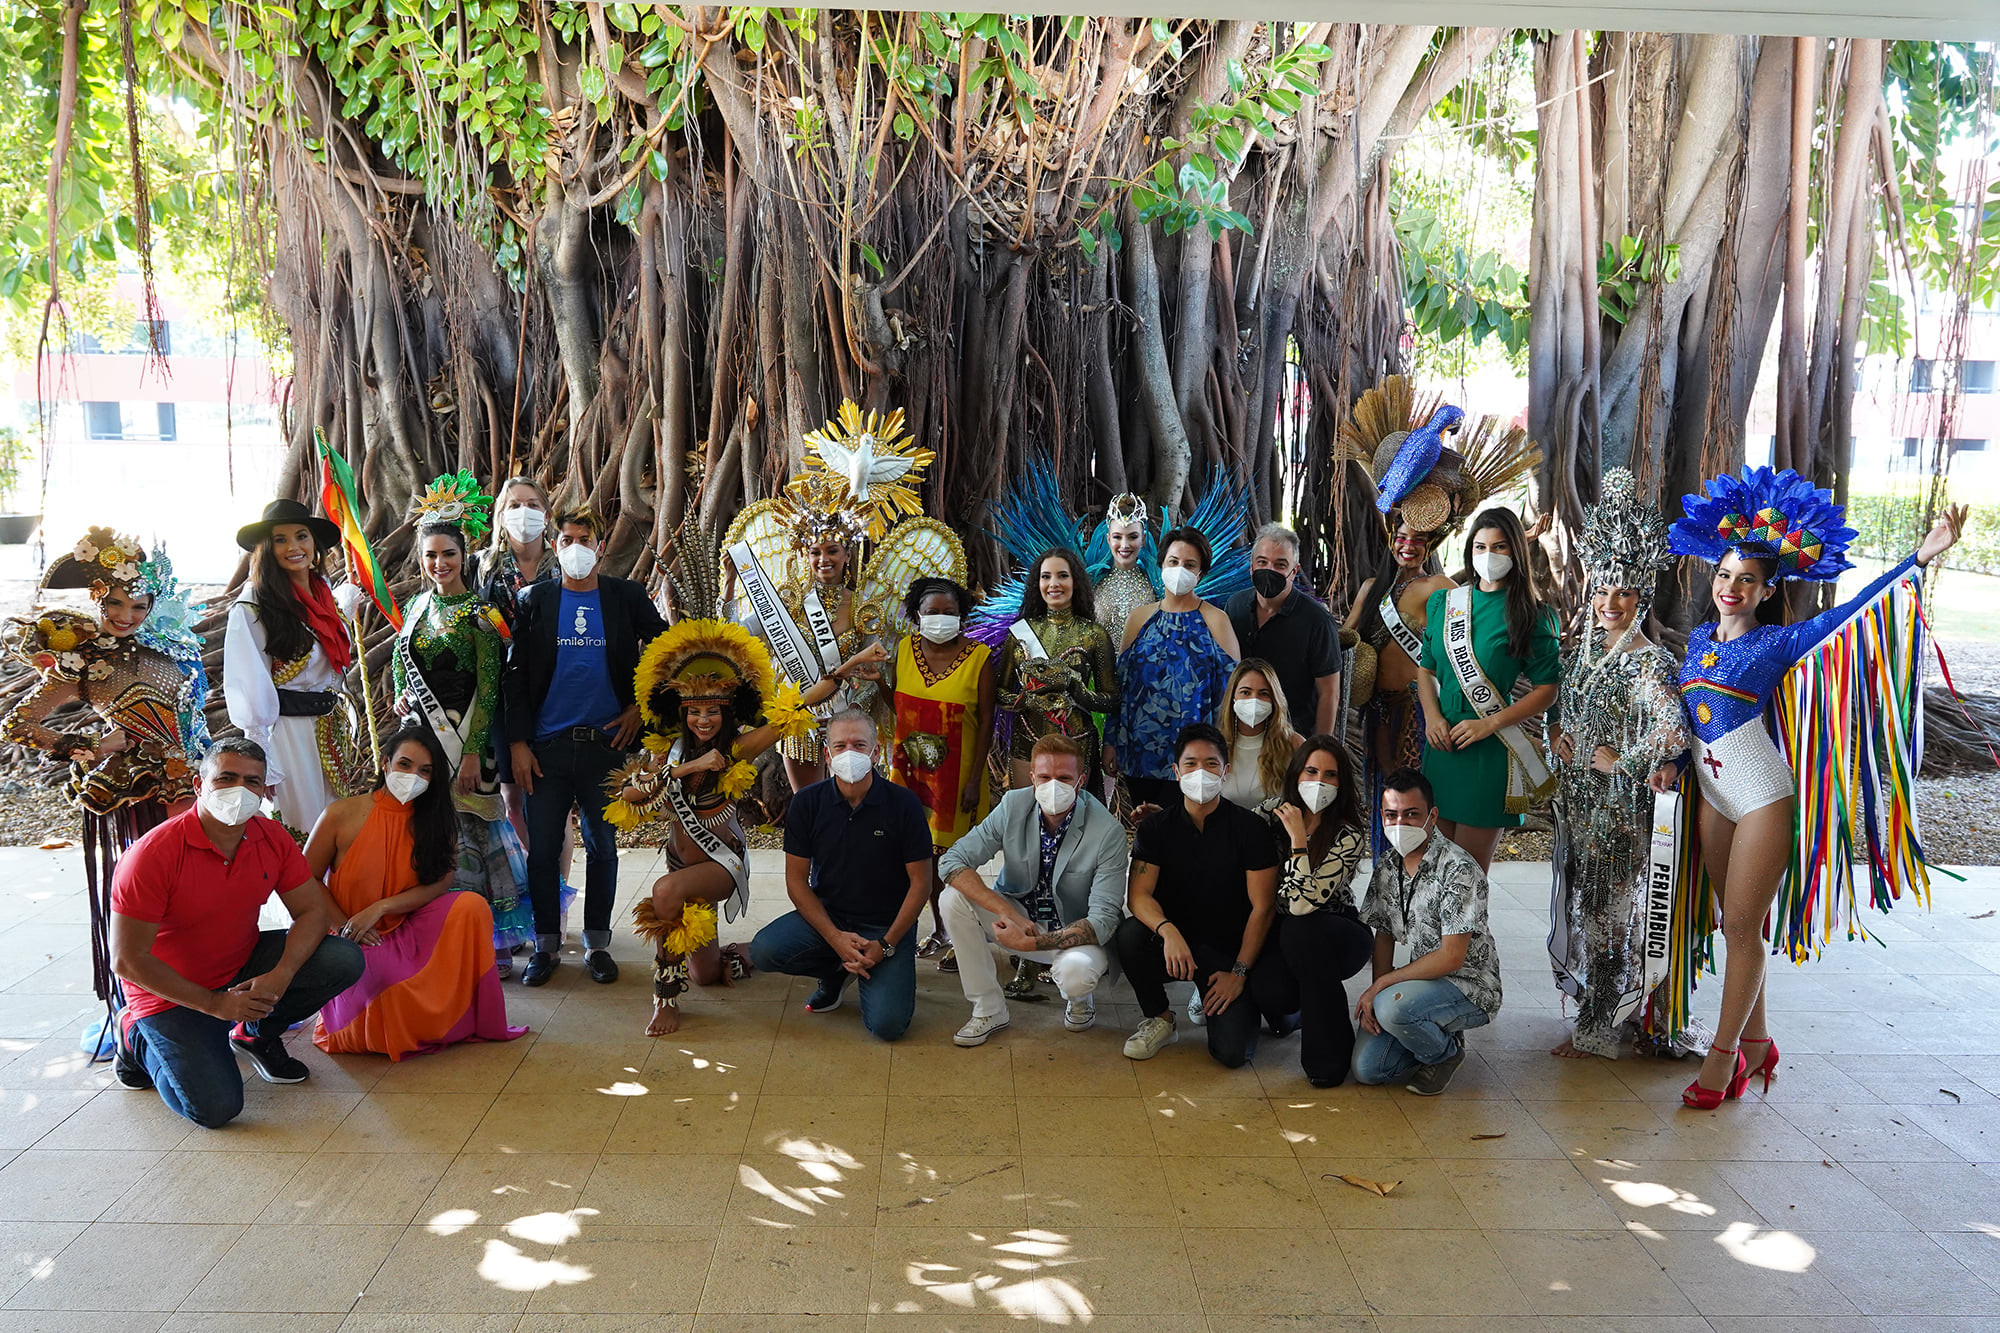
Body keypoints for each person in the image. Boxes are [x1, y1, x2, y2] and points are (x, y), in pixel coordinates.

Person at [1665, 467, 1965, 1108]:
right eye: (1724, 575)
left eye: (1747, 579)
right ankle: (1758, 1042)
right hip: (1713, 797)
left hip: (1762, 797)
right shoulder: (1693, 643)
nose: (1731, 587)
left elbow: (1855, 610)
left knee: (1744, 925)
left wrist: (1919, 557)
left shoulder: (1778, 642)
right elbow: (1683, 723)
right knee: (1731, 923)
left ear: (1768, 590)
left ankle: (1723, 1062)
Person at [3, 529, 209, 1030]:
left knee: (200, 890)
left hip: (193, 781)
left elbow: (194, 714)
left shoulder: (173, 645)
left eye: (138, 606)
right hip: (135, 789)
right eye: (116, 603)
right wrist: (87, 746)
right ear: (97, 597)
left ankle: (208, 986)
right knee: (147, 896)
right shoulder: (81, 660)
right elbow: (16, 724)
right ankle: (148, 1005)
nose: (126, 615)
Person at [107, 738, 365, 1127]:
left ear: (264, 790)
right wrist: (213, 1005)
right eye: (226, 778)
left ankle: (256, 1033)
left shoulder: (270, 836)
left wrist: (281, 975)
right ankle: (135, 1038)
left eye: (253, 782)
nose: (240, 791)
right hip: (170, 992)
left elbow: (311, 909)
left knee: (342, 958)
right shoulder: (152, 854)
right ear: (199, 785)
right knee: (215, 1110)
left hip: (239, 963)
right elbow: (127, 959)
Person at [603, 619, 844, 1036]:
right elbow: (628, 795)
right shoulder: (670, 755)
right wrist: (690, 766)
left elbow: (798, 710)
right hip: (682, 861)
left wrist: (851, 664)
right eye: (694, 711)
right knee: (704, 972)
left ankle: (665, 1001)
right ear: (681, 713)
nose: (703, 719)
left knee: (664, 892)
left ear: (726, 712)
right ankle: (745, 955)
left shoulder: (737, 750)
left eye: (712, 710)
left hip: (720, 866)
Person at [1337, 381, 1536, 859]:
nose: (1408, 545)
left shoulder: (1444, 591)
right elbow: (1345, 639)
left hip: (1416, 715)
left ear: (1431, 544)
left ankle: (1425, 896)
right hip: (1376, 713)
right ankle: (1393, 896)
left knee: (1417, 809)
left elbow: (1454, 654)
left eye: (1418, 540)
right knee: (1385, 808)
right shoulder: (1371, 589)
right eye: (1401, 537)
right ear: (1391, 535)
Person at [722, 403, 952, 794]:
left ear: (847, 554)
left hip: (849, 723)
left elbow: (881, 669)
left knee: (855, 806)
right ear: (805, 556)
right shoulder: (786, 603)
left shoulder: (865, 608)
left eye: (832, 551)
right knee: (808, 807)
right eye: (815, 552)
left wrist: (871, 683)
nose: (823, 559)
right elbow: (737, 638)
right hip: (799, 721)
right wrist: (729, 585)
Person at [1546, 471, 1692, 1060]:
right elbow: (1568, 706)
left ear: (1641, 598)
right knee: (1587, 904)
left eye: (1623, 593)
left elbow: (1672, 727)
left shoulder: (1648, 661)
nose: (1610, 603)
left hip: (1618, 812)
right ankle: (1602, 1009)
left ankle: (1600, 1025)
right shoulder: (1583, 648)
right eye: (1603, 589)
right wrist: (1559, 733)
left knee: (1609, 913)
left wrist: (1622, 760)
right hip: (1578, 804)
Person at [503, 507, 668, 987]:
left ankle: (597, 943)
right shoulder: (535, 599)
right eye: (567, 538)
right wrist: (517, 743)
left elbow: (663, 650)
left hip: (606, 746)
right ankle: (546, 946)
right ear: (555, 546)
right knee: (542, 851)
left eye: (585, 538)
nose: (575, 546)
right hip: (546, 748)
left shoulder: (625, 597)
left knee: (603, 846)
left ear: (600, 546)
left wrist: (641, 708)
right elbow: (514, 676)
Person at [308, 724, 528, 1060]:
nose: (413, 776)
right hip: (351, 934)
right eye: (405, 765)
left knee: (470, 905)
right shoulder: (339, 814)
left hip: (408, 926)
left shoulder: (438, 819)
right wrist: (344, 926)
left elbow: (440, 882)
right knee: (386, 984)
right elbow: (304, 880)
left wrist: (381, 907)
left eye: (425, 770)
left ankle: (462, 1015)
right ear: (385, 764)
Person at [395, 477, 535, 976]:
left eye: (448, 554)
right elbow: (398, 659)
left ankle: (488, 946)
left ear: (464, 553)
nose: (439, 564)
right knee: (432, 836)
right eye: (430, 555)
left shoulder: (482, 614)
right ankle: (440, 936)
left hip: (470, 743)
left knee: (472, 839)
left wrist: (474, 751)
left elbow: (491, 688)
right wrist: (399, 695)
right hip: (424, 742)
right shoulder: (415, 609)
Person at [1113, 723, 1289, 1067]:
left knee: (1232, 1054)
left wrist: (1238, 973)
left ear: (1226, 772)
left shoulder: (1250, 829)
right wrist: (1168, 931)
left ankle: (1271, 1008)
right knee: (1131, 934)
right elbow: (1139, 897)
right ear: (1176, 771)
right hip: (1178, 948)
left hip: (1230, 951)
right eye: (1190, 764)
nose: (1200, 773)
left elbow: (1263, 908)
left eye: (1211, 764)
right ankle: (1160, 1018)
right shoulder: (1155, 828)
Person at [749, 709, 933, 1040]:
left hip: (885, 926)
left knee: (887, 1026)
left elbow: (921, 885)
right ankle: (836, 970)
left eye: (860, 745)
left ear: (876, 752)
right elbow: (795, 881)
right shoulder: (807, 802)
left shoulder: (903, 804)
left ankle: (867, 965)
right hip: (829, 917)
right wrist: (835, 938)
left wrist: (886, 944)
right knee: (763, 950)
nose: (850, 754)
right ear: (827, 754)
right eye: (841, 745)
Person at [937, 733, 1128, 1045]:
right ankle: (989, 1007)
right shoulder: (1014, 804)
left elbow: (1104, 920)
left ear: (1081, 780)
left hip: (1073, 933)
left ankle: (1079, 998)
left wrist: (1031, 944)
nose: (1054, 785)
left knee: (1077, 975)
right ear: (1032, 778)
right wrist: (1005, 911)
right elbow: (952, 861)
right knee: (953, 899)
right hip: (1016, 918)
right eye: (1045, 777)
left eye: (1064, 777)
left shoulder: (1107, 831)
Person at [1416, 507, 1559, 870]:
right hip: (1442, 744)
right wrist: (1432, 716)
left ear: (1516, 552)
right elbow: (1426, 670)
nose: (1488, 556)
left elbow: (1547, 690)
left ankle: (1468, 931)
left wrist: (1488, 724)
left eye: (1500, 547)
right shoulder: (1445, 603)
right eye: (1480, 547)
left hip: (1489, 748)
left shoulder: (1532, 614)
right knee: (1432, 869)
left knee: (1466, 875)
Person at [223, 498, 369, 834]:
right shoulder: (252, 607)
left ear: (314, 543)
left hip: (330, 730)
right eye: (280, 539)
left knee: (337, 823)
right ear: (266, 548)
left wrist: (343, 611)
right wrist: (262, 758)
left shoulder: (323, 593)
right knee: (303, 827)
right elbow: (248, 682)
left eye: (301, 536)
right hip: (287, 734)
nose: (294, 547)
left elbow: (323, 656)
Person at [1354, 767, 1502, 1095]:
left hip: (1469, 985)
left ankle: (1446, 1053)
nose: (1400, 824)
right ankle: (1434, 1027)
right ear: (1381, 815)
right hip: (1423, 981)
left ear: (1432, 816)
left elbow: (1451, 958)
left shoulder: (1459, 868)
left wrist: (1383, 985)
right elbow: (1384, 935)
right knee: (1368, 1069)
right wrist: (1378, 991)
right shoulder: (1388, 865)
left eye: (1411, 814)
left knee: (1394, 1009)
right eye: (1391, 815)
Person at [877, 577, 996, 967]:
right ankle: (942, 929)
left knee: (955, 863)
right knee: (920, 859)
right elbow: (901, 709)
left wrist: (977, 779)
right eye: (932, 613)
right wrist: (879, 681)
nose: (941, 619)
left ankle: (967, 933)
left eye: (950, 613)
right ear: (916, 616)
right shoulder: (905, 650)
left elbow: (988, 723)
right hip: (910, 779)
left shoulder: (979, 658)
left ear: (962, 616)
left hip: (958, 781)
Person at [1109, 528, 1241, 812]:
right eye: (1173, 561)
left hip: (1196, 759)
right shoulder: (1139, 618)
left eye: (1189, 564)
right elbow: (1120, 688)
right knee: (1149, 832)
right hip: (1139, 754)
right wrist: (1111, 742)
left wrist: (1225, 751)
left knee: (1186, 838)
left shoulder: (1217, 621)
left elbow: (1232, 696)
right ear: (1161, 565)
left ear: (1200, 573)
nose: (1180, 569)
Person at [1271, 736, 1374, 1087]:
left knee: (1300, 930)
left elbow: (1302, 904)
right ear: (1296, 773)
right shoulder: (1271, 813)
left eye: (1330, 774)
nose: (1319, 781)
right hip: (1286, 935)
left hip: (1338, 933)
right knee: (1272, 990)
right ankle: (1298, 1010)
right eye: (1311, 770)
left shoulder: (1348, 833)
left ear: (1341, 783)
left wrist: (1298, 839)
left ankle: (1328, 1059)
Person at [993, 547, 1119, 793]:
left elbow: (1112, 700)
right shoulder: (1020, 633)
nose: (1053, 583)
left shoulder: (1094, 635)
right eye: (1046, 576)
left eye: (1062, 576)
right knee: (1026, 817)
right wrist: (1026, 701)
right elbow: (999, 692)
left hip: (1077, 742)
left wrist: (1076, 688)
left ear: (1076, 581)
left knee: (1074, 820)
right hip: (1026, 742)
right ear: (1037, 583)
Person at [477, 475, 558, 843]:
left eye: (532, 505)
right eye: (514, 505)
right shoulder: (481, 567)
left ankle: (557, 889)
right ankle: (529, 875)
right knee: (512, 794)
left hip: (555, 689)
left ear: (546, 514)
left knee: (554, 794)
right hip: (501, 694)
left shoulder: (565, 563)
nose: (523, 513)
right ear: (500, 515)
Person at [1225, 524, 1342, 738]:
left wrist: (1317, 748)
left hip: (1291, 737)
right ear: (1251, 566)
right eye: (1262, 562)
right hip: (1240, 733)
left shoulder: (1317, 620)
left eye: (1280, 565)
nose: (1269, 570)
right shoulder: (1235, 606)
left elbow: (1329, 692)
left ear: (1294, 571)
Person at [1215, 657, 1302, 810]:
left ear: (1275, 699)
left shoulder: (1294, 744)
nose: (1254, 700)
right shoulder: (1214, 744)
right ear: (1233, 697)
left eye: (1263, 693)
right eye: (1245, 692)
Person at [1088, 492, 1159, 640]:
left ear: (1143, 539)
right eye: (1117, 537)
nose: (1124, 545)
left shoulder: (1157, 584)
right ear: (1108, 539)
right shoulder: (1092, 581)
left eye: (1133, 537)